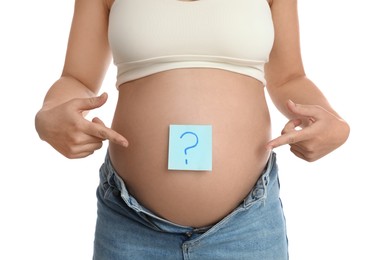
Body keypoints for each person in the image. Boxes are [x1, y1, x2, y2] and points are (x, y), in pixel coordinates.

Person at [35, 0, 350, 259]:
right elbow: (77, 78)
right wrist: (48, 116)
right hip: (131, 224)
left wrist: (332, 121)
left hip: (248, 227)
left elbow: (289, 78)